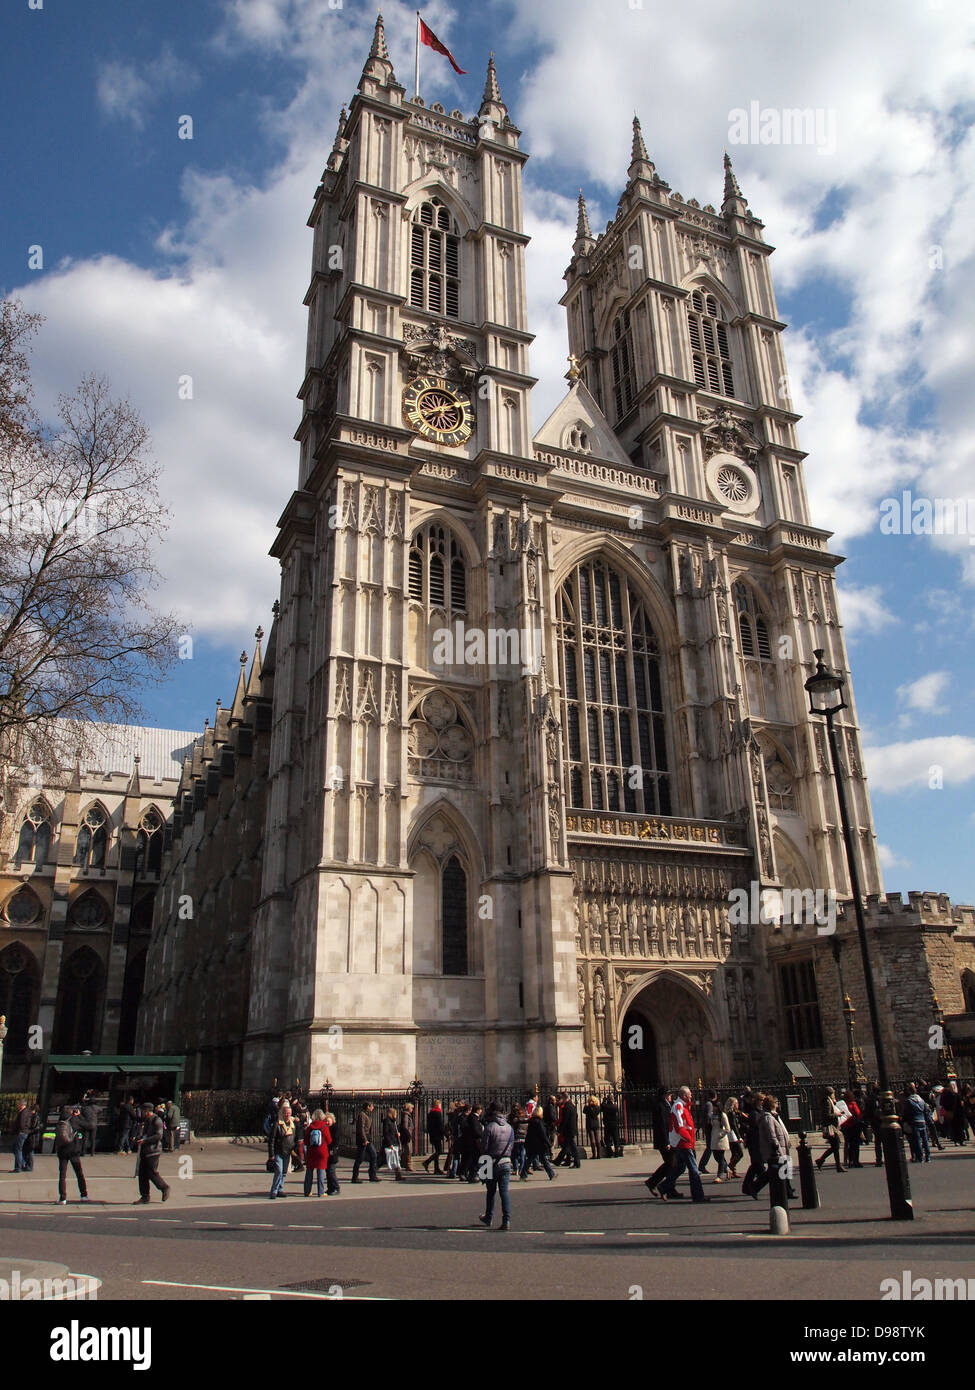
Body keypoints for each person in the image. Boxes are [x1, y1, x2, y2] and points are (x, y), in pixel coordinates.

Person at [656, 1086, 708, 1203]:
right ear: (684, 1096)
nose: (691, 1096)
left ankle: (663, 1186)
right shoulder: (678, 1106)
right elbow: (680, 1127)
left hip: (684, 1142)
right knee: (694, 1170)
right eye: (689, 1094)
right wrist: (689, 1139)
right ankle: (698, 1196)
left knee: (680, 1167)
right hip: (683, 1143)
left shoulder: (683, 1106)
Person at [479, 1101, 514, 1231]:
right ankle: (507, 1220)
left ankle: (489, 1217)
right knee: (504, 1192)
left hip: (490, 1162)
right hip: (506, 1162)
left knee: (491, 1192)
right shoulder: (510, 1127)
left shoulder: (489, 1127)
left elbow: (484, 1148)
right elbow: (512, 1146)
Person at [756, 1093, 791, 1201]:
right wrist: (779, 1149)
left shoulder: (773, 1115)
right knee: (777, 1171)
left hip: (781, 1146)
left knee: (780, 1170)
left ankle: (787, 1191)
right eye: (776, 1103)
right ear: (772, 1104)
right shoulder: (768, 1117)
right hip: (776, 1149)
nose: (777, 1104)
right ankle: (754, 1187)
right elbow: (772, 1135)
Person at [134, 1102, 171, 1204]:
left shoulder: (156, 1120)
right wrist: (138, 1138)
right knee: (142, 1174)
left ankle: (164, 1187)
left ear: (147, 1111)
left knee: (151, 1172)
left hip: (153, 1151)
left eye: (142, 1111)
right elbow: (145, 1134)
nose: (141, 1113)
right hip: (145, 1150)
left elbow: (158, 1136)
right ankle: (145, 1196)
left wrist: (145, 1141)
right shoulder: (147, 1120)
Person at [55, 1106, 89, 1205]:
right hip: (73, 1150)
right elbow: (89, 1125)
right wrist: (79, 1116)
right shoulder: (74, 1120)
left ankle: (62, 1198)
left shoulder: (60, 1121)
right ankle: (84, 1195)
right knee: (79, 1173)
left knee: (62, 1175)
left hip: (62, 1151)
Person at [645, 1086, 676, 1195]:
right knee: (671, 1164)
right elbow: (662, 1125)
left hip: (667, 1139)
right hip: (664, 1141)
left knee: (671, 1164)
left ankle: (657, 1184)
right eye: (669, 1095)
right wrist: (667, 1141)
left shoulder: (667, 1105)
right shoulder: (660, 1106)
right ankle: (662, 1185)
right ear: (665, 1096)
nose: (671, 1096)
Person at [268, 1101, 296, 1199]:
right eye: (286, 1113)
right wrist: (271, 1154)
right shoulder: (277, 1124)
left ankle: (280, 1189)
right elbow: (271, 1140)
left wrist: (294, 1150)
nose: (288, 1115)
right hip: (278, 1151)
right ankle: (274, 1191)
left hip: (288, 1151)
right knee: (279, 1171)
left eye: (289, 1113)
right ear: (283, 1113)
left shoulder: (293, 1125)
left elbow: (294, 1138)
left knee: (284, 1172)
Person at [815, 1087, 846, 1173]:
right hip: (830, 1126)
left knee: (835, 1146)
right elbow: (827, 1115)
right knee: (836, 1146)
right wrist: (837, 1114)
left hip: (832, 1126)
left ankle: (821, 1160)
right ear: (830, 1093)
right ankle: (837, 1165)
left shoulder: (829, 1101)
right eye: (833, 1093)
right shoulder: (827, 1102)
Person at [901, 1084, 931, 1163]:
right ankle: (928, 1156)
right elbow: (926, 1110)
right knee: (925, 1139)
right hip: (922, 1120)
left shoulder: (909, 1101)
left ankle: (920, 1157)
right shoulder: (921, 1100)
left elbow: (906, 1113)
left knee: (917, 1140)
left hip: (914, 1121)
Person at [303, 1108, 330, 1196]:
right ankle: (321, 1192)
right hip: (321, 1151)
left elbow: (306, 1141)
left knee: (309, 1171)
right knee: (320, 1172)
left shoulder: (310, 1127)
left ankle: (307, 1191)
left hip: (311, 1151)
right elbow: (329, 1140)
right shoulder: (324, 1126)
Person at [526, 1105, 556, 1179]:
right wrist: (548, 1143)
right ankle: (551, 1174)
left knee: (530, 1160)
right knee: (544, 1160)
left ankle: (523, 1174)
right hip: (539, 1144)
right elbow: (543, 1134)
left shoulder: (532, 1121)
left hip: (532, 1144)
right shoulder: (539, 1122)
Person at [351, 1102, 379, 1183]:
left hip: (368, 1138)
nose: (373, 1108)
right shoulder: (362, 1115)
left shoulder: (368, 1115)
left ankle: (372, 1175)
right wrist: (364, 1139)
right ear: (368, 1107)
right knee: (360, 1158)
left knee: (374, 1155)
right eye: (372, 1106)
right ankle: (355, 1177)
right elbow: (361, 1128)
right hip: (363, 1139)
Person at [556, 1092, 581, 1168]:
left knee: (573, 1147)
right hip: (572, 1129)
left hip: (568, 1130)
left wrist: (560, 1131)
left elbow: (565, 1120)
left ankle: (577, 1162)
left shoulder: (567, 1107)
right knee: (567, 1146)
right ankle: (558, 1160)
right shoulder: (572, 1106)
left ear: (564, 1098)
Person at [710, 1098, 732, 1181]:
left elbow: (728, 1128)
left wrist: (721, 1134)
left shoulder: (722, 1115)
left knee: (720, 1157)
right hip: (714, 1138)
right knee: (717, 1157)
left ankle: (720, 1175)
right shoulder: (713, 1115)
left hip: (720, 1139)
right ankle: (728, 1169)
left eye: (715, 1107)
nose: (713, 1108)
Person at [461, 1104, 484, 1182]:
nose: (481, 1111)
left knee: (473, 1159)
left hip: (473, 1142)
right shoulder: (473, 1118)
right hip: (474, 1142)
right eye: (480, 1109)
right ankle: (473, 1175)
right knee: (475, 1159)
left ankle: (472, 1174)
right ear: (478, 1110)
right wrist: (482, 1134)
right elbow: (475, 1130)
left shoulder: (474, 1118)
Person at [841, 1089, 863, 1167]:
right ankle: (856, 1161)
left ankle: (850, 1161)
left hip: (846, 1126)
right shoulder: (853, 1104)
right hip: (854, 1125)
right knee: (855, 1144)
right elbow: (858, 1114)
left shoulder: (843, 1105)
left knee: (849, 1143)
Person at [698, 1092, 718, 1174]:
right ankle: (702, 1165)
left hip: (707, 1128)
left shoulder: (707, 1103)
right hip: (710, 1129)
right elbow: (709, 1116)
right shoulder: (709, 1104)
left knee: (712, 1147)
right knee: (712, 1147)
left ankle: (724, 1166)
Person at [382, 1107, 404, 1180]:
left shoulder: (393, 1121)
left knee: (396, 1159)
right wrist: (389, 1143)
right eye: (395, 1113)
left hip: (395, 1141)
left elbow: (394, 1131)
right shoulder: (387, 1121)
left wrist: (398, 1133)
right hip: (390, 1142)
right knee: (390, 1159)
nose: (396, 1115)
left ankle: (398, 1175)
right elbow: (386, 1133)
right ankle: (372, 1172)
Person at [423, 1100, 445, 1174]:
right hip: (437, 1135)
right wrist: (444, 1133)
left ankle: (436, 1168)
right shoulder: (437, 1113)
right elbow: (440, 1125)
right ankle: (427, 1162)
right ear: (438, 1105)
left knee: (437, 1151)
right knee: (439, 1151)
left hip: (432, 1134)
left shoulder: (430, 1113)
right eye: (440, 1105)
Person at [725, 1096, 744, 1178]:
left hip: (730, 1134)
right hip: (733, 1135)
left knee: (734, 1153)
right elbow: (734, 1125)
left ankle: (733, 1171)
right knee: (740, 1153)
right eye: (736, 1103)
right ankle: (728, 1168)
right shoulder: (732, 1113)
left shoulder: (732, 1113)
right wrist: (739, 1136)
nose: (738, 1105)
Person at [509, 1104, 529, 1178]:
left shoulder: (516, 1120)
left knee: (514, 1155)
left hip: (517, 1137)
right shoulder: (526, 1119)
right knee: (523, 1154)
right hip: (524, 1137)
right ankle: (522, 1169)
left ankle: (516, 1169)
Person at [324, 1110, 341, 1194]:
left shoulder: (335, 1128)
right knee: (327, 1171)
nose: (327, 1122)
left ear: (332, 1120)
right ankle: (330, 1188)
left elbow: (335, 1141)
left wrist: (332, 1149)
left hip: (332, 1152)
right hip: (326, 1152)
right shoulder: (325, 1128)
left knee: (331, 1171)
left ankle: (336, 1187)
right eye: (326, 1120)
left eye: (328, 1120)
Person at [12, 1101, 32, 1173]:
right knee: (18, 1149)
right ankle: (22, 1164)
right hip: (24, 1132)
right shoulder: (27, 1112)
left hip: (21, 1133)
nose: (17, 1105)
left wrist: (19, 1130)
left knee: (17, 1149)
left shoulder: (23, 1113)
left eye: (18, 1104)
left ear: (21, 1105)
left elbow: (21, 1123)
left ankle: (18, 1167)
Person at [600, 1091, 621, 1157]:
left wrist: (604, 1100)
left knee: (607, 1139)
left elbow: (601, 1106)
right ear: (612, 1099)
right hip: (614, 1124)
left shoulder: (605, 1106)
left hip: (607, 1124)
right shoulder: (615, 1106)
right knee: (615, 1138)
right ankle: (617, 1152)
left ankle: (610, 1152)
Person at [78, 1093, 97, 1157]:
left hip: (86, 1124)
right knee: (93, 1139)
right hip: (94, 1124)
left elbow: (81, 1112)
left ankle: (83, 1152)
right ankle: (92, 1152)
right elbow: (101, 1110)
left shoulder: (85, 1108)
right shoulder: (96, 1108)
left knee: (85, 1139)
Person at [583, 1095, 601, 1161]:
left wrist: (586, 1105)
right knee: (597, 1139)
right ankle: (599, 1154)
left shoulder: (587, 1108)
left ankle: (594, 1154)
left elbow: (584, 1111)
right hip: (596, 1123)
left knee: (592, 1140)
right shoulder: (597, 1107)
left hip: (590, 1124)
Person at [399, 1102, 415, 1172]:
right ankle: (408, 1165)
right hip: (407, 1135)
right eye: (411, 1108)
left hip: (408, 1134)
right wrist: (408, 1134)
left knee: (408, 1150)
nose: (412, 1109)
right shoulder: (406, 1115)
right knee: (408, 1150)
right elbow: (405, 1126)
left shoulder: (407, 1115)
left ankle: (406, 1164)